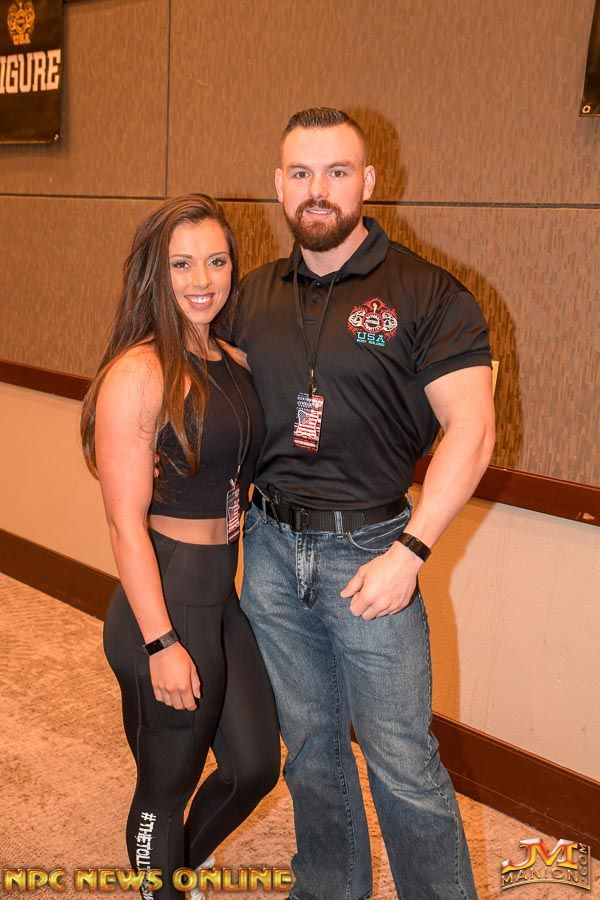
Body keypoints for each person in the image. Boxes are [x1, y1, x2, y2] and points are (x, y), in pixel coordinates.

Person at [231, 109, 496, 900]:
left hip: (373, 553)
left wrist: (410, 554)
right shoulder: (250, 295)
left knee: (402, 761)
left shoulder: (427, 293)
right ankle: (327, 888)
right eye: (301, 173)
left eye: (337, 172)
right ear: (280, 184)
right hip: (271, 550)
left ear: (370, 182)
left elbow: (473, 431)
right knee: (311, 749)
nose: (318, 190)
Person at [80, 195, 280, 900]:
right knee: (166, 787)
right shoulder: (139, 372)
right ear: (154, 274)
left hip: (220, 598)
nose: (203, 279)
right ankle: (157, 884)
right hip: (164, 603)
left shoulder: (231, 359)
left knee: (254, 767)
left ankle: (172, 870)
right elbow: (123, 523)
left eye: (217, 261)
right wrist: (162, 643)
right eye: (182, 264)